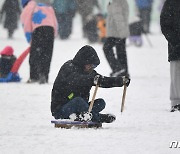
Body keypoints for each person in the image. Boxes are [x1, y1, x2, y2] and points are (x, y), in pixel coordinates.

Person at [51, 45, 130, 123]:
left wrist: (120, 81)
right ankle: (98, 117)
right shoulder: (68, 68)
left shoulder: (89, 72)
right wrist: (92, 79)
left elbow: (102, 81)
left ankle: (84, 115)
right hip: (61, 109)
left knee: (101, 103)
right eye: (91, 65)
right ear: (83, 62)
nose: (92, 68)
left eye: (94, 66)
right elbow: (78, 79)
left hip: (80, 107)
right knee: (78, 101)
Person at [20, 0, 58, 84]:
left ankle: (34, 76)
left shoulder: (28, 7)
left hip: (38, 29)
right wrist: (54, 34)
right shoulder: (47, 6)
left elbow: (26, 24)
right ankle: (44, 75)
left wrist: (30, 38)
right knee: (47, 54)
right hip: (50, 30)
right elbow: (55, 22)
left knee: (35, 54)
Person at [160, 0, 180, 112]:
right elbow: (165, 24)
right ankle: (176, 102)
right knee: (176, 74)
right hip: (176, 45)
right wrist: (175, 41)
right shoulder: (171, 2)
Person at [103, 0, 130, 77]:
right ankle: (123, 71)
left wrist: (121, 33)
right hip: (118, 32)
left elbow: (119, 18)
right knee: (121, 51)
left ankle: (118, 69)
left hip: (116, 32)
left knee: (107, 48)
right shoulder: (119, 2)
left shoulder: (117, 2)